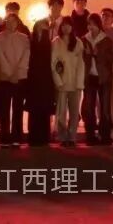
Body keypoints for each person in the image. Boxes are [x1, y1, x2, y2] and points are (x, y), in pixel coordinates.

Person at [0, 13, 30, 147]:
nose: (11, 23)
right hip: (5, 77)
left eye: (13, 21)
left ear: (17, 22)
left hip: (20, 77)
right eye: (8, 21)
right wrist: (9, 73)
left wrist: (17, 72)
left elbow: (26, 56)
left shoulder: (24, 38)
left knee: (18, 108)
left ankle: (16, 136)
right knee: (4, 108)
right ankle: (4, 137)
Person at [80, 13, 113, 145]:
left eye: (94, 24)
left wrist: (97, 54)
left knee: (105, 108)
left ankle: (105, 135)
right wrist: (88, 55)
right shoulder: (84, 39)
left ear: (98, 25)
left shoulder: (106, 40)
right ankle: (90, 135)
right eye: (89, 24)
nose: (91, 27)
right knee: (89, 107)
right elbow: (81, 58)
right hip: (89, 76)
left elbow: (111, 59)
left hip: (104, 77)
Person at [51, 18, 82, 147]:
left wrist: (79, 82)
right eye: (63, 25)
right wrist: (58, 81)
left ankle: (72, 136)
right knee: (61, 111)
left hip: (75, 83)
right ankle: (62, 136)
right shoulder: (56, 42)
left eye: (68, 25)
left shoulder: (78, 42)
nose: (66, 28)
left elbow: (81, 64)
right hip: (62, 82)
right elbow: (53, 63)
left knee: (74, 112)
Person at [27, 18, 55, 147]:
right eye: (39, 26)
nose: (41, 29)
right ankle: (33, 136)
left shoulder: (48, 41)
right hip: (33, 78)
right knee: (34, 109)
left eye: (44, 27)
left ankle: (44, 136)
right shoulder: (31, 40)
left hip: (45, 78)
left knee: (44, 108)